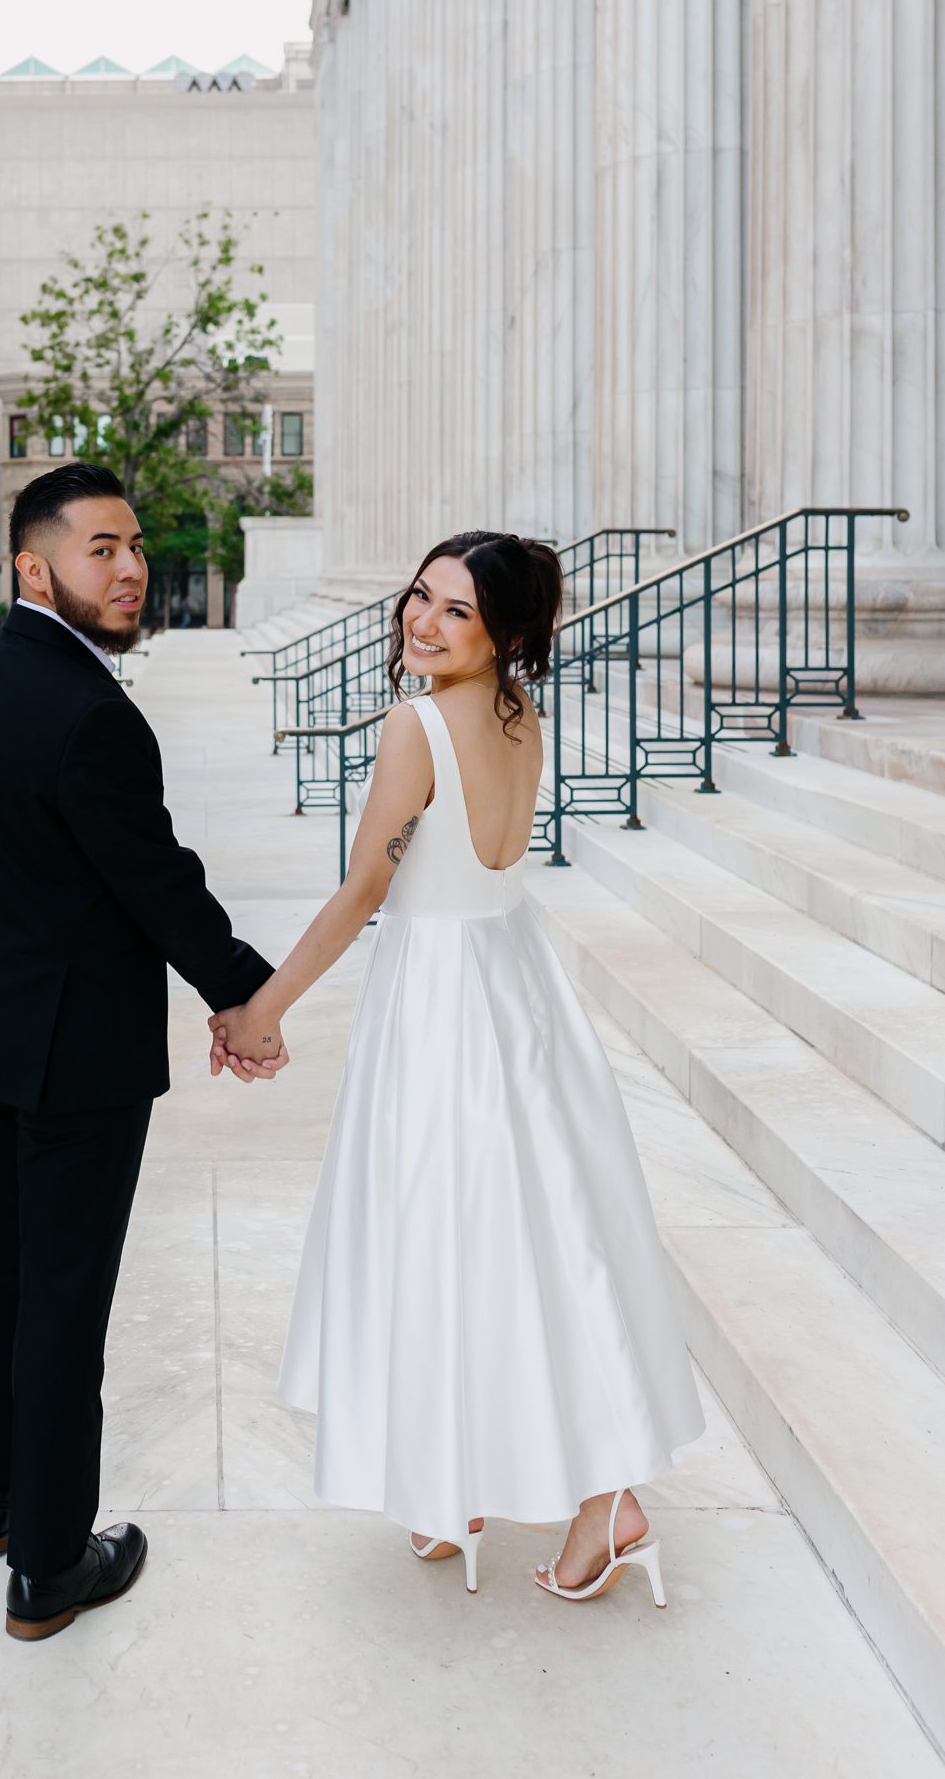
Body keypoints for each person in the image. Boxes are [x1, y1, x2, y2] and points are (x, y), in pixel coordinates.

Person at [210, 531, 705, 1605]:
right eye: (418, 599)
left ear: (505, 632)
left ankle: (583, 1497)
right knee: (521, 1231)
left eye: (455, 614)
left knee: (439, 1227)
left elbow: (362, 893)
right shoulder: (518, 716)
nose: (421, 624)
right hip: (512, 979)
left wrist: (261, 1009)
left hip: (441, 998)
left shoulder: (416, 722)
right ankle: (469, 1483)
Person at [0, 463, 282, 1643]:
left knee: (6, 1274)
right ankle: (48, 1562)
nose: (129, 570)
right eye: (101, 550)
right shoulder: (91, 711)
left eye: (133, 546)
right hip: (75, 1051)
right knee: (64, 1299)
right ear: (35, 566)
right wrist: (246, 994)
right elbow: (156, 883)